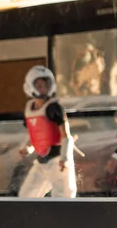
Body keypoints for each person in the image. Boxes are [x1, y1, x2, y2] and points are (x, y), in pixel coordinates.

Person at [17, 65, 77, 198]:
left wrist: (65, 158)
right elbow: (37, 135)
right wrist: (28, 148)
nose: (43, 88)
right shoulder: (29, 109)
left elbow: (66, 136)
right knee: (26, 196)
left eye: (46, 84)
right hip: (41, 162)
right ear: (30, 86)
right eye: (38, 85)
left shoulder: (54, 107)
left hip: (58, 161)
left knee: (62, 198)